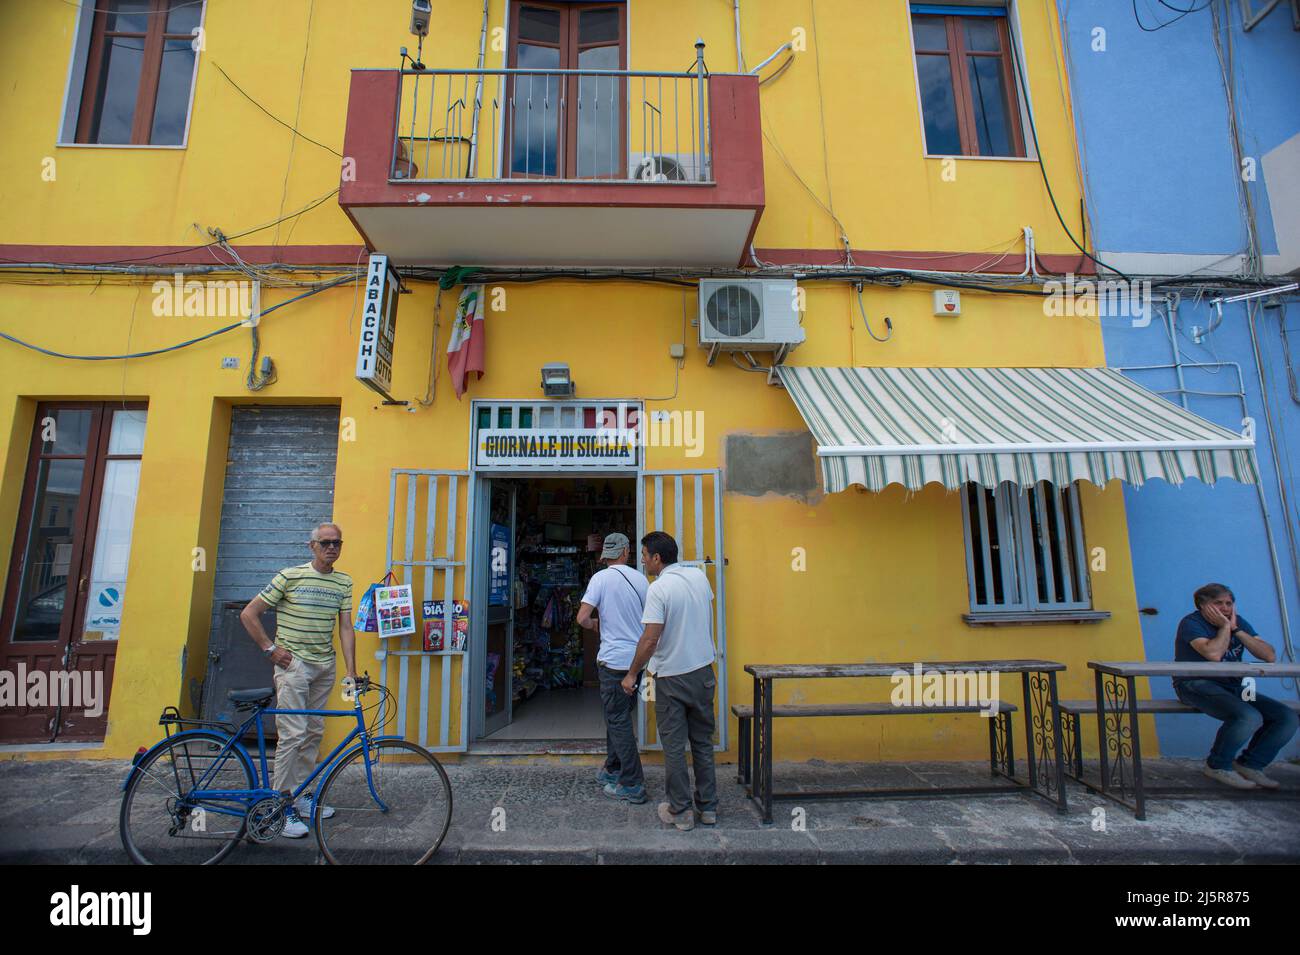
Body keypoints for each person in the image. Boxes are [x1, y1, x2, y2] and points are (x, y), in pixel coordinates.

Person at [240, 522, 357, 838]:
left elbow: (346, 627)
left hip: (324, 665)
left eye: (337, 543)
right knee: (293, 733)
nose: (331, 547)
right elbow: (249, 613)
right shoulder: (289, 576)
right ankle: (281, 806)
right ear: (312, 546)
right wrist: (270, 650)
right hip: (294, 666)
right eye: (325, 542)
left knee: (314, 731)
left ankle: (301, 795)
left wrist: (350, 670)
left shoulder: (343, 582)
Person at [621, 531, 717, 831]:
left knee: (674, 747)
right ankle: (709, 808)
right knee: (702, 742)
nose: (643, 560)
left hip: (672, 678)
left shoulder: (659, 589)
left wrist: (632, 672)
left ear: (657, 558)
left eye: (645, 555)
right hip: (703, 671)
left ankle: (681, 811)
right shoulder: (699, 578)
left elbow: (650, 639)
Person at [1173, 583, 1297, 790]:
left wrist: (1236, 629)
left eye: (1229, 603)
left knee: (1286, 717)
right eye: (1218, 603)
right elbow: (1213, 654)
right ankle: (1217, 765)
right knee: (1248, 716)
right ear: (1202, 605)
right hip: (1195, 685)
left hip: (1234, 687)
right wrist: (1223, 628)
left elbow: (1269, 655)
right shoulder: (1191, 623)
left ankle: (1250, 764)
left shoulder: (1238, 623)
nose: (1225, 608)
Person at [577, 532, 649, 804]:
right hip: (635, 661)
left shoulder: (600, 578)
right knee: (616, 716)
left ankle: (633, 783)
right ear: (626, 552)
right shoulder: (642, 580)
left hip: (612, 661)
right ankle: (613, 768)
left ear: (607, 554)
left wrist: (596, 625)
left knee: (617, 720)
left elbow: (582, 617)